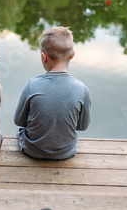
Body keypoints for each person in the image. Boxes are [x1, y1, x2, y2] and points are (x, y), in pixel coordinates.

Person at [14, 27, 91, 160]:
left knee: (20, 131)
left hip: (32, 150)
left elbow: (19, 120)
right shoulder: (82, 89)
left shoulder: (32, 85)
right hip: (65, 152)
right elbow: (82, 126)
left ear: (44, 57)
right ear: (72, 55)